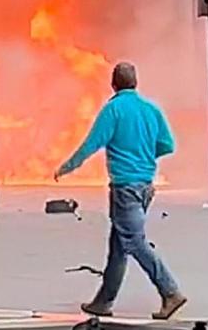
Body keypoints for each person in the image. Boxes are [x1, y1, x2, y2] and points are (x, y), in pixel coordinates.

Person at [54, 62, 187, 320]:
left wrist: (67, 167)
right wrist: (145, 155)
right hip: (146, 186)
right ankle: (103, 302)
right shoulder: (151, 110)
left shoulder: (113, 110)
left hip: (125, 187)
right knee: (119, 246)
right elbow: (167, 145)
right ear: (135, 82)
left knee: (134, 242)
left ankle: (170, 291)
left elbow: (91, 144)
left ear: (113, 84)